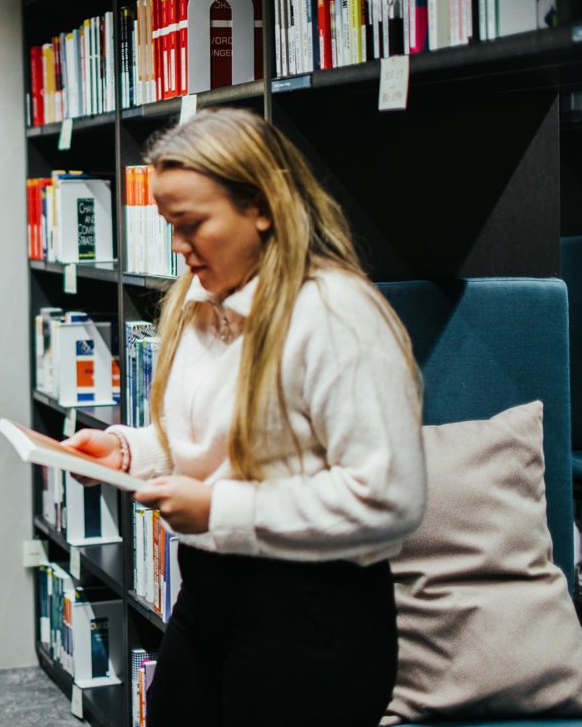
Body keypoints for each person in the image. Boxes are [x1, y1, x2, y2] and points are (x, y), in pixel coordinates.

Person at [63, 107, 426, 727]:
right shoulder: (201, 302)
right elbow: (221, 441)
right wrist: (128, 453)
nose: (178, 246)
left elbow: (389, 498)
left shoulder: (336, 316)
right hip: (207, 592)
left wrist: (221, 510)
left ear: (261, 206)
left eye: (192, 223)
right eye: (169, 224)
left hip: (313, 613)